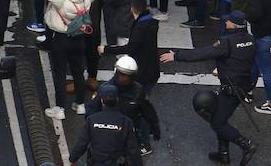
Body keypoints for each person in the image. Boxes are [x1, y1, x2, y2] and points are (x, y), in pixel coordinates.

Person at [160, 10, 260, 165]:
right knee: (220, 117)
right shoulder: (251, 40)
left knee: (217, 122)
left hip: (231, 89)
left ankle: (246, 144)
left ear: (233, 25)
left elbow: (203, 53)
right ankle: (223, 154)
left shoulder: (227, 42)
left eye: (228, 22)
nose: (225, 23)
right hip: (242, 87)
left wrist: (176, 56)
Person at [38, 0, 114, 118]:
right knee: (78, 71)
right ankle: (80, 104)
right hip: (79, 38)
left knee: (59, 73)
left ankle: (60, 109)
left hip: (60, 39)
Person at [68, 83, 143, 166]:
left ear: (101, 100)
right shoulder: (126, 122)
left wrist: (73, 159)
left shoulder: (92, 119)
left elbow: (82, 143)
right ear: (117, 99)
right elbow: (133, 149)